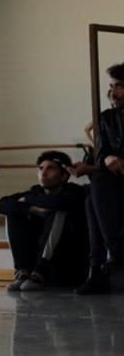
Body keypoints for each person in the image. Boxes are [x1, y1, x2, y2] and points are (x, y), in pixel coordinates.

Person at [0, 151, 89, 292]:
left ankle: (41, 271)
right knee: (14, 212)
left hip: (69, 264)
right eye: (40, 168)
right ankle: (23, 271)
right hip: (36, 262)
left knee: (58, 211)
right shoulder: (36, 191)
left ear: (64, 175)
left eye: (50, 168)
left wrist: (27, 201)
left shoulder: (75, 192)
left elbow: (59, 202)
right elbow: (2, 204)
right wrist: (32, 209)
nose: (43, 173)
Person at [76, 63, 124, 295]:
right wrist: (104, 161)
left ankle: (100, 268)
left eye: (119, 87)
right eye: (111, 87)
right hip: (114, 179)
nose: (112, 93)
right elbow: (102, 152)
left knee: (95, 194)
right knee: (93, 194)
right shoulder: (107, 118)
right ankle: (110, 258)